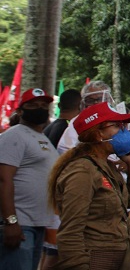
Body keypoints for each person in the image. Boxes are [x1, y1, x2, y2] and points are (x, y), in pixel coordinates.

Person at [49, 102, 130, 270]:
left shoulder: (107, 166)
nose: (124, 130)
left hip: (120, 256)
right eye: (117, 125)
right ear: (98, 134)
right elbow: (70, 232)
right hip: (97, 259)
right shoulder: (82, 171)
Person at [0, 88, 58, 270]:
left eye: (43, 105)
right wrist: (11, 222)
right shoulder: (14, 135)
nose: (39, 108)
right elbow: (3, 180)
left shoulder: (42, 138)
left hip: (37, 224)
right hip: (20, 224)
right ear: (20, 111)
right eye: (32, 105)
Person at [56, 83, 115, 154]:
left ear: (109, 99)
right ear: (83, 102)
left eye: (100, 99)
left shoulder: (116, 119)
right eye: (90, 100)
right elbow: (65, 150)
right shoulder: (76, 124)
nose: (96, 103)